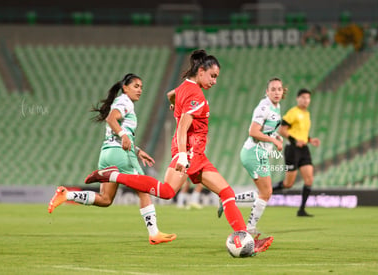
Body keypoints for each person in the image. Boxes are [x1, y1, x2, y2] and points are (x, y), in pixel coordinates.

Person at [83, 49, 273, 253]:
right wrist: (183, 154)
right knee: (167, 191)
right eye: (213, 76)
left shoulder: (184, 87)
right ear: (201, 71)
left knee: (225, 193)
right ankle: (114, 175)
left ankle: (244, 238)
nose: (214, 81)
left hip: (195, 152)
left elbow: (170, 95)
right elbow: (183, 127)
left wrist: (175, 107)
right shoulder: (196, 94)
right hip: (190, 152)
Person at [47, 73, 177, 245]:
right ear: (125, 88)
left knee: (105, 199)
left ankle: (67, 194)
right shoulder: (125, 102)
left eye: (141, 87)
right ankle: (154, 233)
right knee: (144, 190)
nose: (140, 90)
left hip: (107, 153)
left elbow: (117, 129)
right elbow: (111, 119)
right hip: (121, 155)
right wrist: (124, 136)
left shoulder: (121, 102)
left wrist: (137, 150)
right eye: (136, 86)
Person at [218, 78, 285, 237]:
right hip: (253, 152)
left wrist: (275, 136)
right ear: (266, 92)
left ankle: (229, 200)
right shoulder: (264, 107)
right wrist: (273, 140)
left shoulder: (277, 106)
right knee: (266, 192)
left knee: (265, 192)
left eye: (279, 89)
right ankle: (249, 228)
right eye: (273, 89)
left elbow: (267, 129)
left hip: (259, 153)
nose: (276, 92)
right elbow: (253, 131)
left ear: (283, 92)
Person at [272, 88, 320, 217]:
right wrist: (294, 140)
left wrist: (310, 140)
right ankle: (266, 191)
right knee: (288, 184)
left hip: (304, 149)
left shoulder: (306, 114)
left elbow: (300, 134)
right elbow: (281, 130)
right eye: (303, 97)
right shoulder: (293, 112)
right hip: (292, 149)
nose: (306, 100)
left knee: (309, 179)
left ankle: (301, 210)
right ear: (297, 99)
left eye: (308, 98)